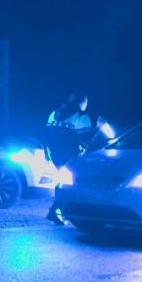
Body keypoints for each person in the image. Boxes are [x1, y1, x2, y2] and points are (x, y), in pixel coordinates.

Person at [45, 92, 94, 225]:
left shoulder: (54, 113)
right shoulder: (81, 116)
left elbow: (46, 135)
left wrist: (47, 153)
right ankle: (57, 211)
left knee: (63, 182)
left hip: (55, 155)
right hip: (72, 157)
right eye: (86, 102)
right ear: (81, 102)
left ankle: (57, 211)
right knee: (72, 184)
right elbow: (85, 139)